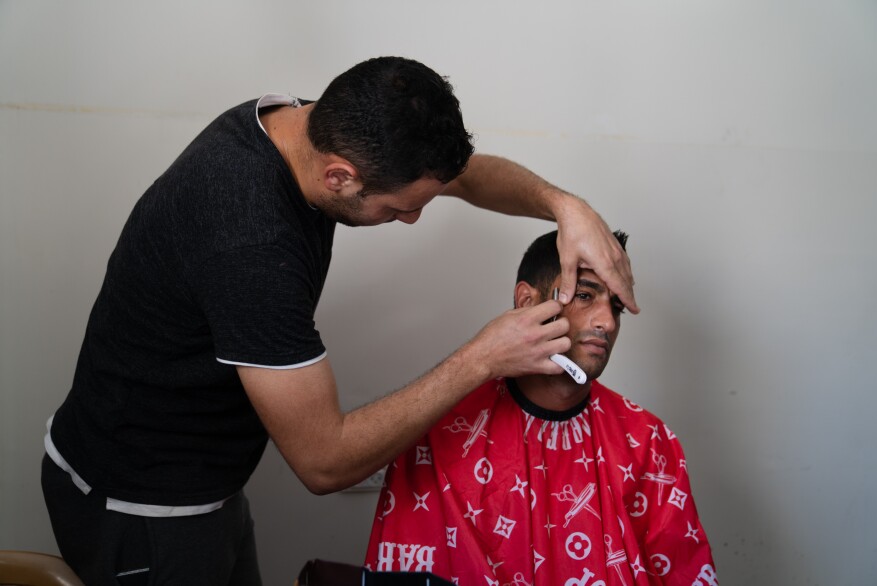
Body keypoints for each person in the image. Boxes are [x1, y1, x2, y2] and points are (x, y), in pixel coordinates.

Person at [41, 56, 638, 585]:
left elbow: (466, 175)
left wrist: (567, 208)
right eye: (400, 209)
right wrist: (484, 357)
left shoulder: (308, 124)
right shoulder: (249, 242)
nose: (412, 220)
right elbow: (323, 461)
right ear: (340, 177)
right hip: (145, 508)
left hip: (207, 483)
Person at [364, 230, 716, 585]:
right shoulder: (439, 434)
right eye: (584, 296)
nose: (607, 322)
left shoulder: (649, 442)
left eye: (616, 306)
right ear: (527, 301)